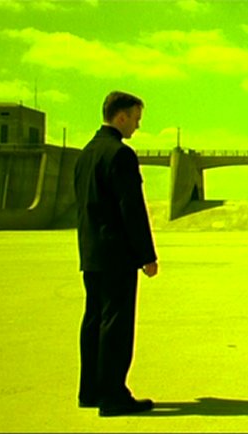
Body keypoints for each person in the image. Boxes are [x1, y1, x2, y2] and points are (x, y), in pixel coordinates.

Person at [74, 91, 158, 417]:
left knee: (94, 320)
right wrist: (146, 255)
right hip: (116, 255)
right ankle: (113, 396)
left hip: (91, 251)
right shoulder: (120, 154)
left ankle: (90, 390)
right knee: (116, 325)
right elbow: (131, 209)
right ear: (121, 116)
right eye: (135, 119)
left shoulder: (86, 153)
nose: (137, 126)